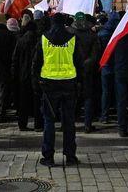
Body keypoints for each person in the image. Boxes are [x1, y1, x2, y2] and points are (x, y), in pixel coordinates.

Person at [32, 13, 82, 167]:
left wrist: (36, 83)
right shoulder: (73, 38)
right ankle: (70, 156)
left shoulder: (44, 38)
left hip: (49, 84)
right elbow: (79, 62)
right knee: (69, 122)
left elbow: (36, 62)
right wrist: (79, 82)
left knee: (49, 121)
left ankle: (48, 157)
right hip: (68, 83)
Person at [71, 12, 100, 133]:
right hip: (88, 70)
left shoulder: (70, 34)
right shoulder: (92, 34)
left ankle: (69, 123)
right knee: (88, 97)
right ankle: (87, 125)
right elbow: (96, 54)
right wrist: (87, 64)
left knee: (72, 98)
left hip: (72, 70)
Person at [12, 21, 39, 131]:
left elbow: (15, 59)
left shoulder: (21, 41)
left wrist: (14, 74)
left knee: (23, 101)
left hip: (22, 75)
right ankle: (38, 124)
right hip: (35, 75)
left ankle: (22, 124)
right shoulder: (38, 41)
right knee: (37, 100)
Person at [0, 13, 16, 123]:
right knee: (3, 91)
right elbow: (13, 53)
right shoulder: (8, 34)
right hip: (5, 67)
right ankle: (0, 115)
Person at [97, 12, 119, 124]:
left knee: (105, 92)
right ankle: (119, 115)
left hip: (105, 66)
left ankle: (105, 115)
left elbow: (98, 51)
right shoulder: (120, 33)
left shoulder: (101, 34)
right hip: (118, 66)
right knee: (118, 92)